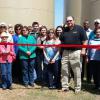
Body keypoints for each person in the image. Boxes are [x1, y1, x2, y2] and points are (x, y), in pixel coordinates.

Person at [60, 16, 87, 93]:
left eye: (70, 20)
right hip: (65, 52)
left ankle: (77, 88)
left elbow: (85, 40)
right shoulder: (64, 30)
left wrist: (83, 50)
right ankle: (65, 87)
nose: (69, 22)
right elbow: (61, 39)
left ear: (73, 21)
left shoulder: (79, 28)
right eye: (67, 21)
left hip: (76, 52)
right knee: (64, 70)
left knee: (77, 71)